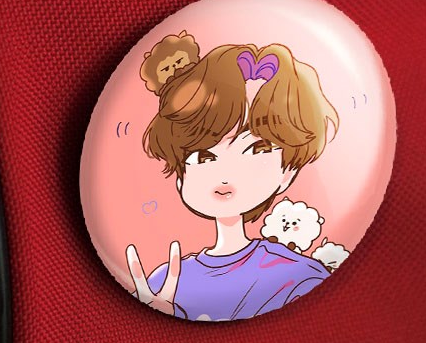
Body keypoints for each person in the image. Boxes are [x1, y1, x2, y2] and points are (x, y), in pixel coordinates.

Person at [126, 40, 339, 321]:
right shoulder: (165, 282)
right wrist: (158, 315)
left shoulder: (297, 275)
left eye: (256, 149)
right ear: (180, 177)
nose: (225, 173)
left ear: (287, 172)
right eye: (204, 156)